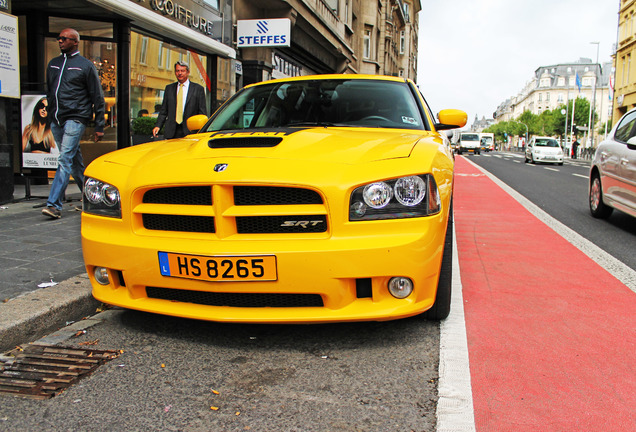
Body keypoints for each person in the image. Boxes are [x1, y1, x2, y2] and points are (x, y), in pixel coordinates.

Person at [41, 28, 105, 219]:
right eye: (59, 38)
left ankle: (54, 205)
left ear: (75, 42)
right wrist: (50, 116)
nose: (60, 41)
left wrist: (99, 125)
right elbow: (50, 92)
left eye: (64, 39)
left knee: (64, 158)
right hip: (57, 119)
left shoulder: (85, 66)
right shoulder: (53, 64)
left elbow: (97, 96)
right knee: (74, 161)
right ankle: (90, 198)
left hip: (76, 118)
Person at [152, 61, 207, 139]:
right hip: (172, 132)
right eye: (177, 71)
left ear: (188, 72)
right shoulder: (169, 88)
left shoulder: (198, 89)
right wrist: (158, 126)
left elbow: (202, 113)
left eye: (182, 71)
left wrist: (201, 131)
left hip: (190, 132)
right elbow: (164, 111)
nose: (180, 73)